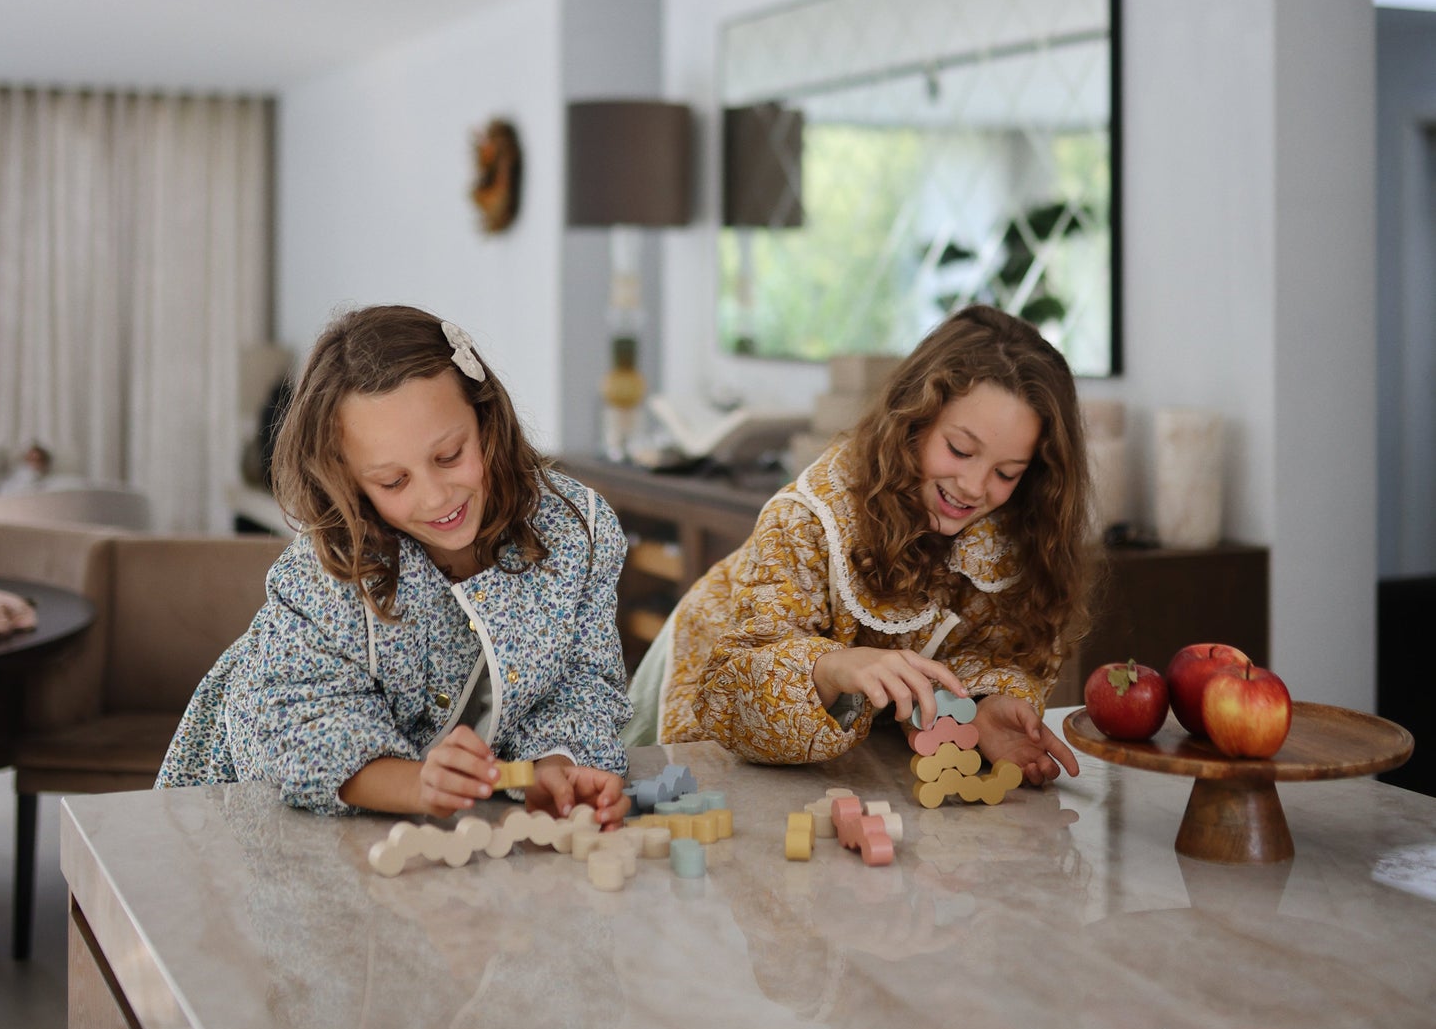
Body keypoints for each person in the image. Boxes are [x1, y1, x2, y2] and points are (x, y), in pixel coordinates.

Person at [158, 305, 632, 825]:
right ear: (350, 481)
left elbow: (583, 684)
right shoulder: (327, 569)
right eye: (393, 482)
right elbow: (296, 729)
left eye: (450, 455)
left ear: (485, 419)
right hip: (247, 812)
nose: (435, 497)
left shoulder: (575, 530)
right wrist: (417, 783)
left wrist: (555, 768)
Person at [628, 305, 1093, 786]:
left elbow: (997, 655)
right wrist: (829, 669)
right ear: (913, 421)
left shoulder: (1016, 537)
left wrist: (983, 706)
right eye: (959, 450)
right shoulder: (806, 518)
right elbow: (739, 689)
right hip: (705, 672)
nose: (975, 487)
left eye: (1006, 473)